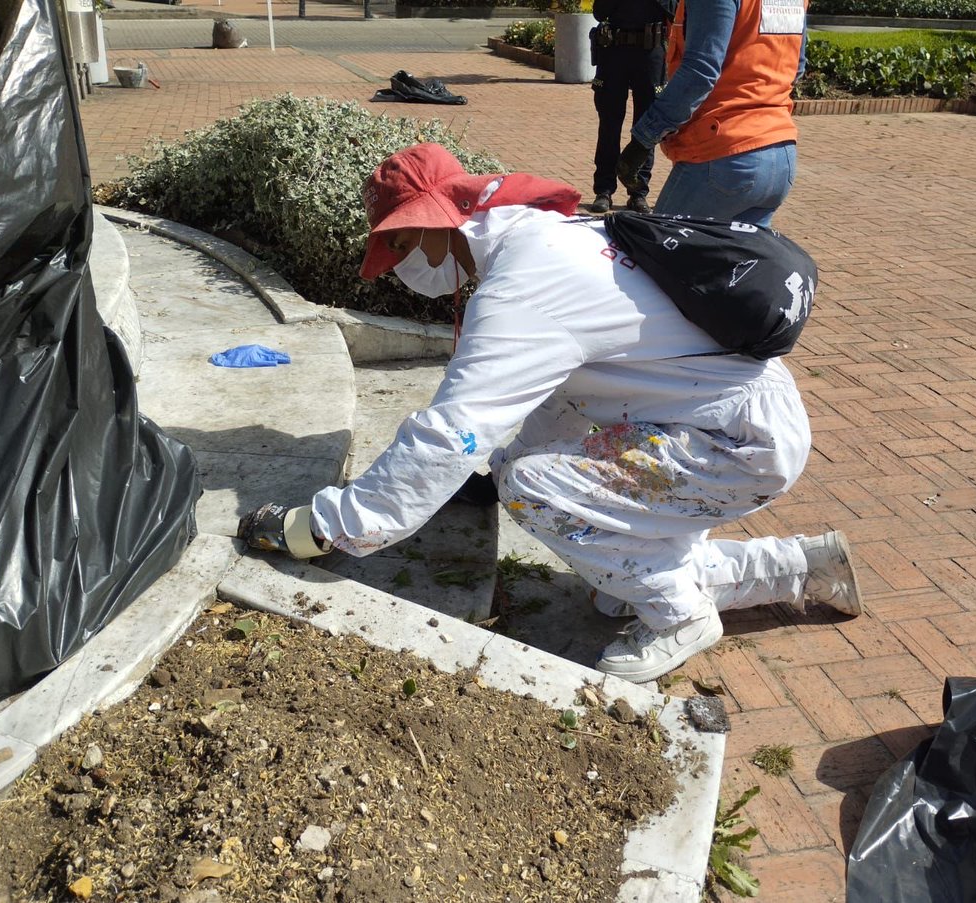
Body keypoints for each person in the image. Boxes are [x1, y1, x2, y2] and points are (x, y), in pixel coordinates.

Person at [237, 143, 863, 685]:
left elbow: (451, 433)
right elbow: (564, 394)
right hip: (724, 425)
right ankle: (801, 567)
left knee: (534, 491)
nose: (400, 264)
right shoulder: (548, 236)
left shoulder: (524, 288)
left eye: (401, 242)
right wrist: (497, 467)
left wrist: (328, 526)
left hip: (728, 446)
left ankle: (681, 617)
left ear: (438, 219)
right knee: (614, 575)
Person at [616, 0, 808, 225]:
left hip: (724, 155)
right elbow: (797, 66)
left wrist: (642, 140)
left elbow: (700, 72)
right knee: (733, 250)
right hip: (779, 155)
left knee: (659, 243)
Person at [586, 0, 670, 215]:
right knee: (609, 125)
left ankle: (638, 192)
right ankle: (604, 190)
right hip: (614, 51)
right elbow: (599, 12)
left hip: (651, 52)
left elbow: (675, 12)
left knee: (646, 126)